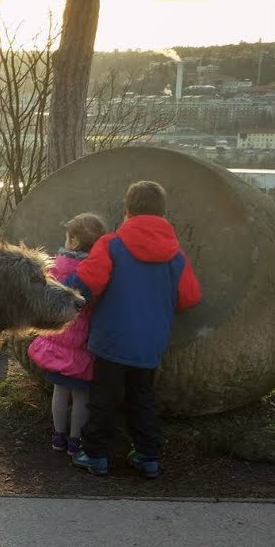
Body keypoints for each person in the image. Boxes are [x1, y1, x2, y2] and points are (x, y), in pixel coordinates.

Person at [65, 181, 202, 479]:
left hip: (111, 339)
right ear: (164, 214)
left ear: (127, 210)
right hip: (150, 343)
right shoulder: (176, 256)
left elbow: (86, 287)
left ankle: (96, 455)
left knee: (103, 397)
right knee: (142, 397)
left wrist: (68, 289)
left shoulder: (111, 245)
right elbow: (190, 297)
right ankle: (147, 457)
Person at [27, 212, 107, 455]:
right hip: (81, 344)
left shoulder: (57, 265)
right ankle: (75, 441)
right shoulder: (93, 270)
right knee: (81, 396)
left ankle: (58, 436)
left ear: (73, 240)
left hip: (58, 340)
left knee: (59, 392)